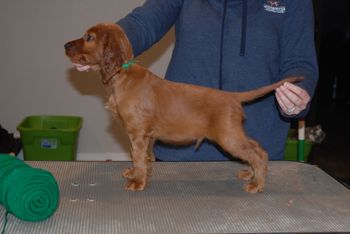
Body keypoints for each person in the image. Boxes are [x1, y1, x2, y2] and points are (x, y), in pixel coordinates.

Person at [77, 0, 318, 161]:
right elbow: (144, 22)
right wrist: (106, 46)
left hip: (257, 144)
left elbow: (300, 61)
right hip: (180, 154)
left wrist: (299, 92)